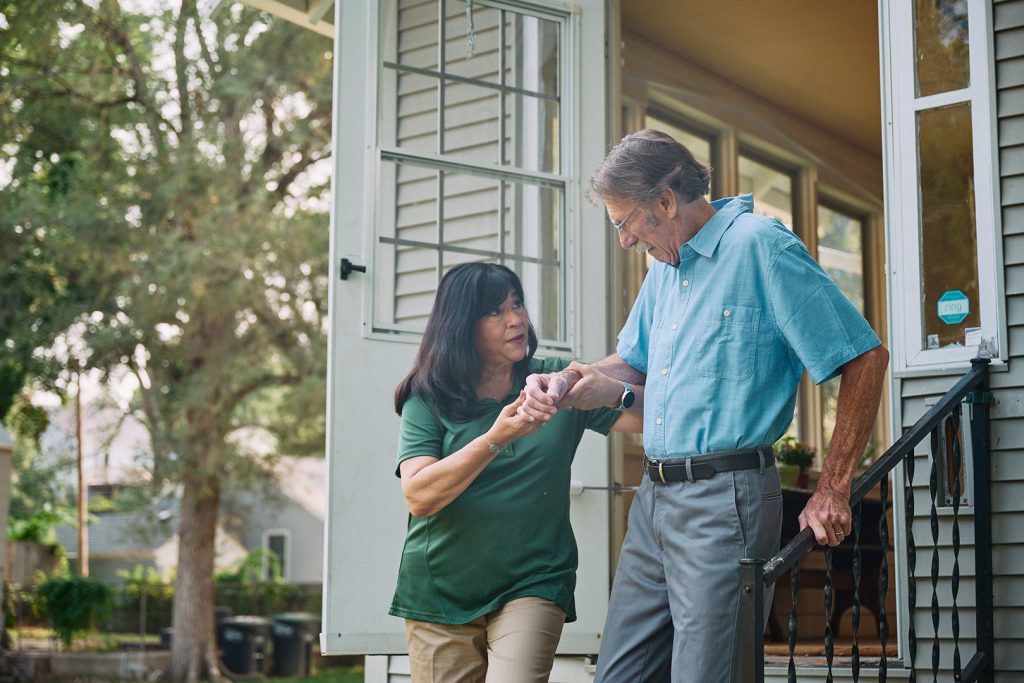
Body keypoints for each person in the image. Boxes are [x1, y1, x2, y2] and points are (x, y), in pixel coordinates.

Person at [519, 129, 889, 682]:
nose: (623, 240)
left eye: (625, 222)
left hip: (726, 502)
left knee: (708, 675)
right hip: (652, 501)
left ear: (666, 202)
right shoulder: (665, 268)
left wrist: (833, 487)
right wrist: (571, 377)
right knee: (619, 674)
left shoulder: (761, 246)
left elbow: (864, 357)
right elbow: (632, 362)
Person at [389, 262, 642, 683]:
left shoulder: (552, 384)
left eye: (517, 304)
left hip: (534, 579)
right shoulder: (428, 396)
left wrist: (619, 392)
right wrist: (498, 436)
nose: (516, 319)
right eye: (495, 311)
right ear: (461, 325)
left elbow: (647, 420)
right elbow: (419, 495)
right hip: (440, 590)